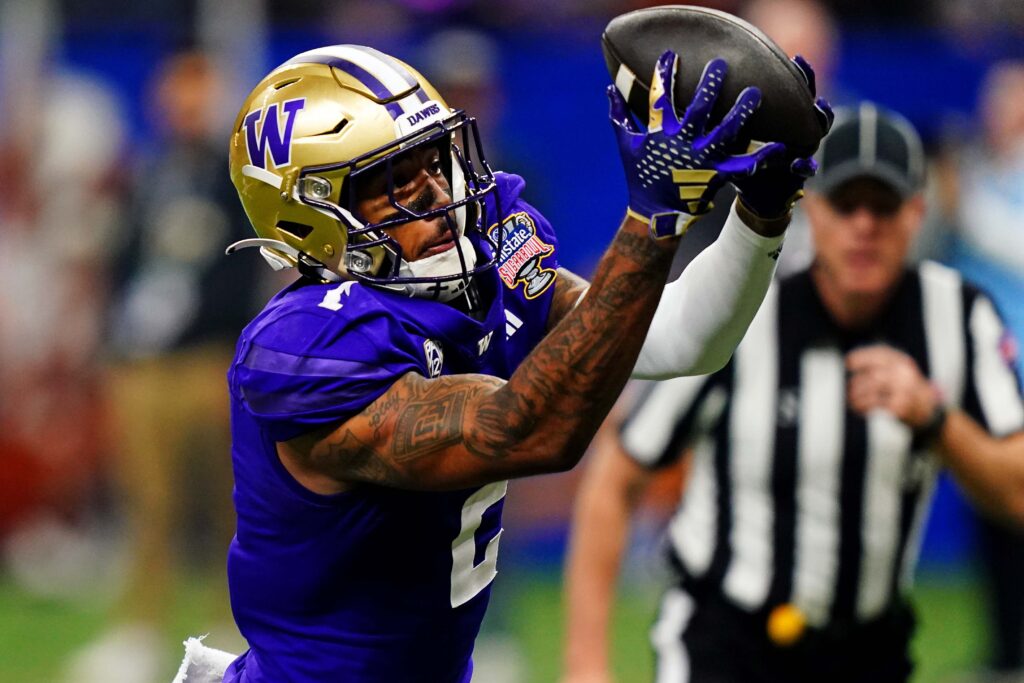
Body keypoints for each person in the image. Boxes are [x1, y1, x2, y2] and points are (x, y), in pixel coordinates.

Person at [201, 44, 832, 682]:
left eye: (434, 162)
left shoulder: (476, 268)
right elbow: (530, 428)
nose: (438, 193)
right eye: (393, 181)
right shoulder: (309, 345)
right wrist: (651, 222)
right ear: (311, 217)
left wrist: (761, 214)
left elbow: (678, 337)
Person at [561, 103, 1024, 683]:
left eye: (882, 207)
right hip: (726, 640)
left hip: (867, 648)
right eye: (845, 204)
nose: (863, 226)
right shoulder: (748, 314)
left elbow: (1018, 492)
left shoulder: (956, 317)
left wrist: (935, 419)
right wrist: (585, 666)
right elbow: (620, 471)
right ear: (814, 211)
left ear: (917, 214)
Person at [67, 50, 259, 683]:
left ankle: (235, 629)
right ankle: (138, 631)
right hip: (143, 364)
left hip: (207, 360)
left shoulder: (237, 182)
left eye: (197, 94)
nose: (184, 107)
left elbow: (244, 268)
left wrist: (227, 348)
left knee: (228, 505)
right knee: (146, 504)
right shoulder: (148, 174)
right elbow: (123, 261)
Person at [937, 60, 1024, 682]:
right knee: (988, 515)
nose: (1003, 117)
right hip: (975, 372)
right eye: (998, 105)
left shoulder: (995, 187)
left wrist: (961, 200)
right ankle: (1004, 652)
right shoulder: (975, 176)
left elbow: (1007, 243)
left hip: (1023, 373)